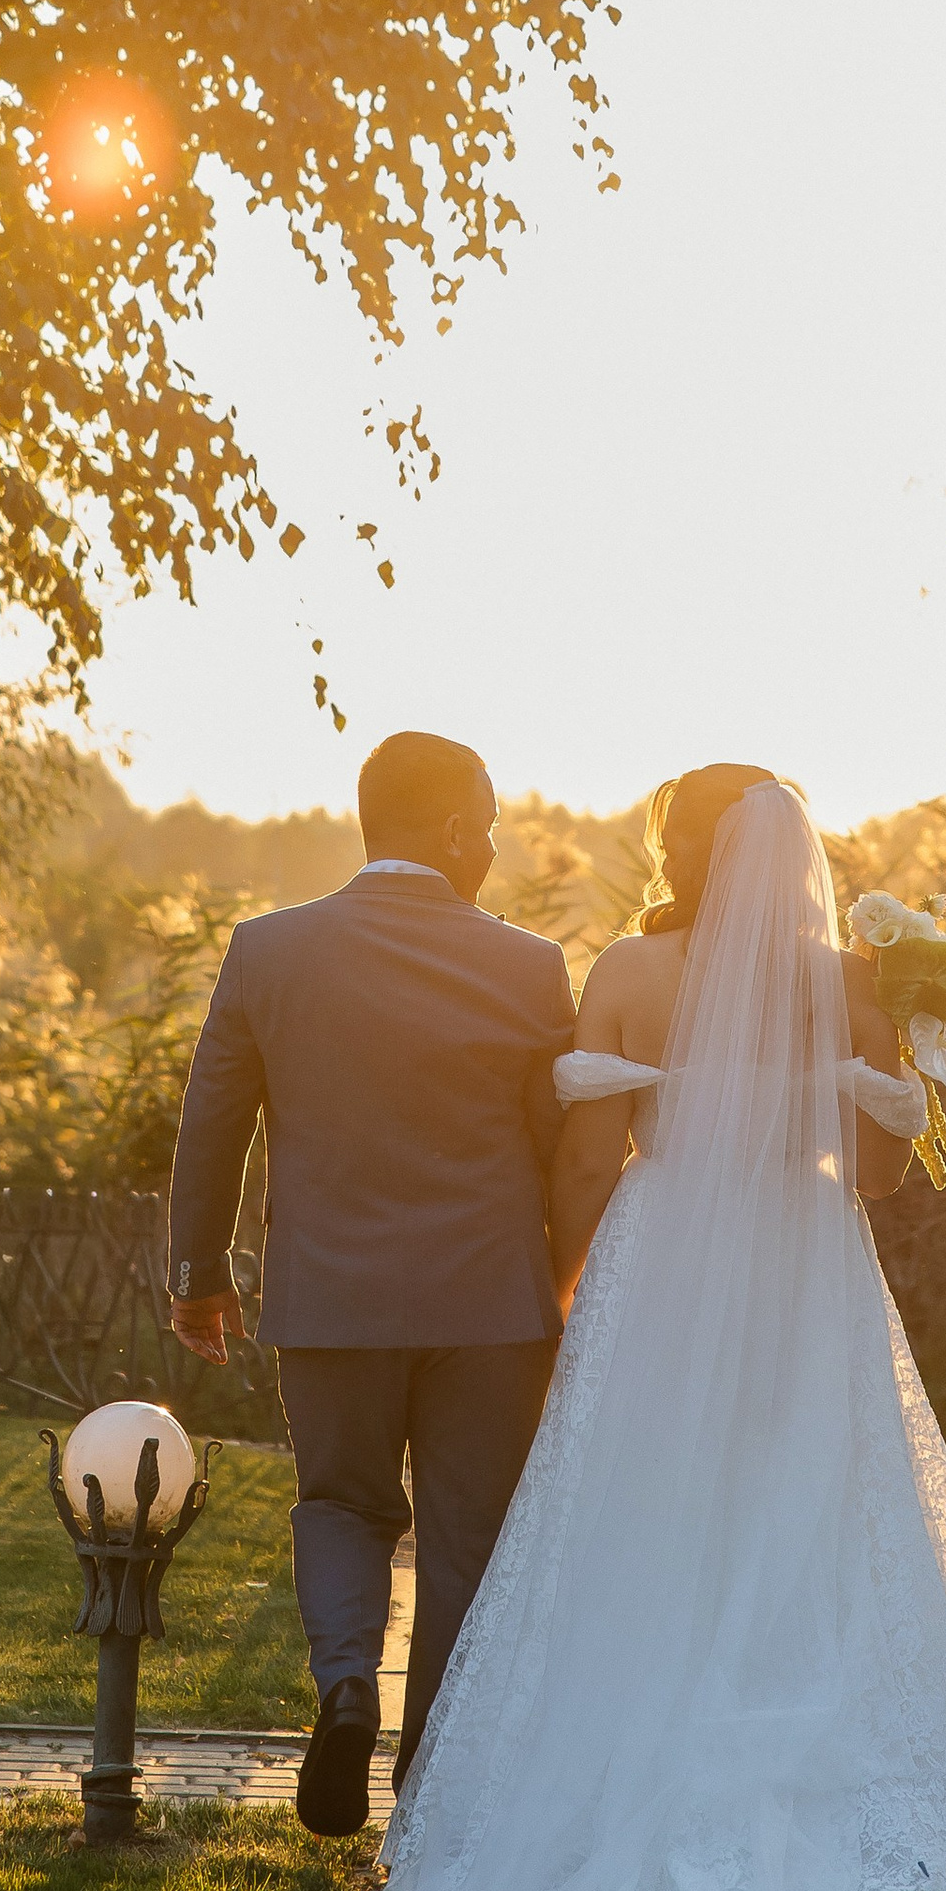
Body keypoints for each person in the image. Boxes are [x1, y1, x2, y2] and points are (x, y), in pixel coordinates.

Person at [336, 764, 946, 1891]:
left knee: (644, 1523)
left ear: (680, 851)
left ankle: (613, 1801)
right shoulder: (854, 982)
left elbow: (589, 1157)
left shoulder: (629, 976)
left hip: (667, 1260)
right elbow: (877, 1175)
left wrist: (566, 1285)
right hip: (803, 1266)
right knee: (802, 1523)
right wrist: (900, 1049)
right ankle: (797, 1806)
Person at [166, 726, 575, 1834]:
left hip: (332, 1298)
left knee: (341, 1504)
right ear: (452, 830)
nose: (493, 846)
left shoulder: (268, 951)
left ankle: (347, 1687)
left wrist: (199, 1275)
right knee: (467, 1537)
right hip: (491, 1310)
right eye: (488, 826)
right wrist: (572, 1280)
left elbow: (213, 1121)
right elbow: (560, 1148)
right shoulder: (529, 965)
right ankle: (428, 1780)